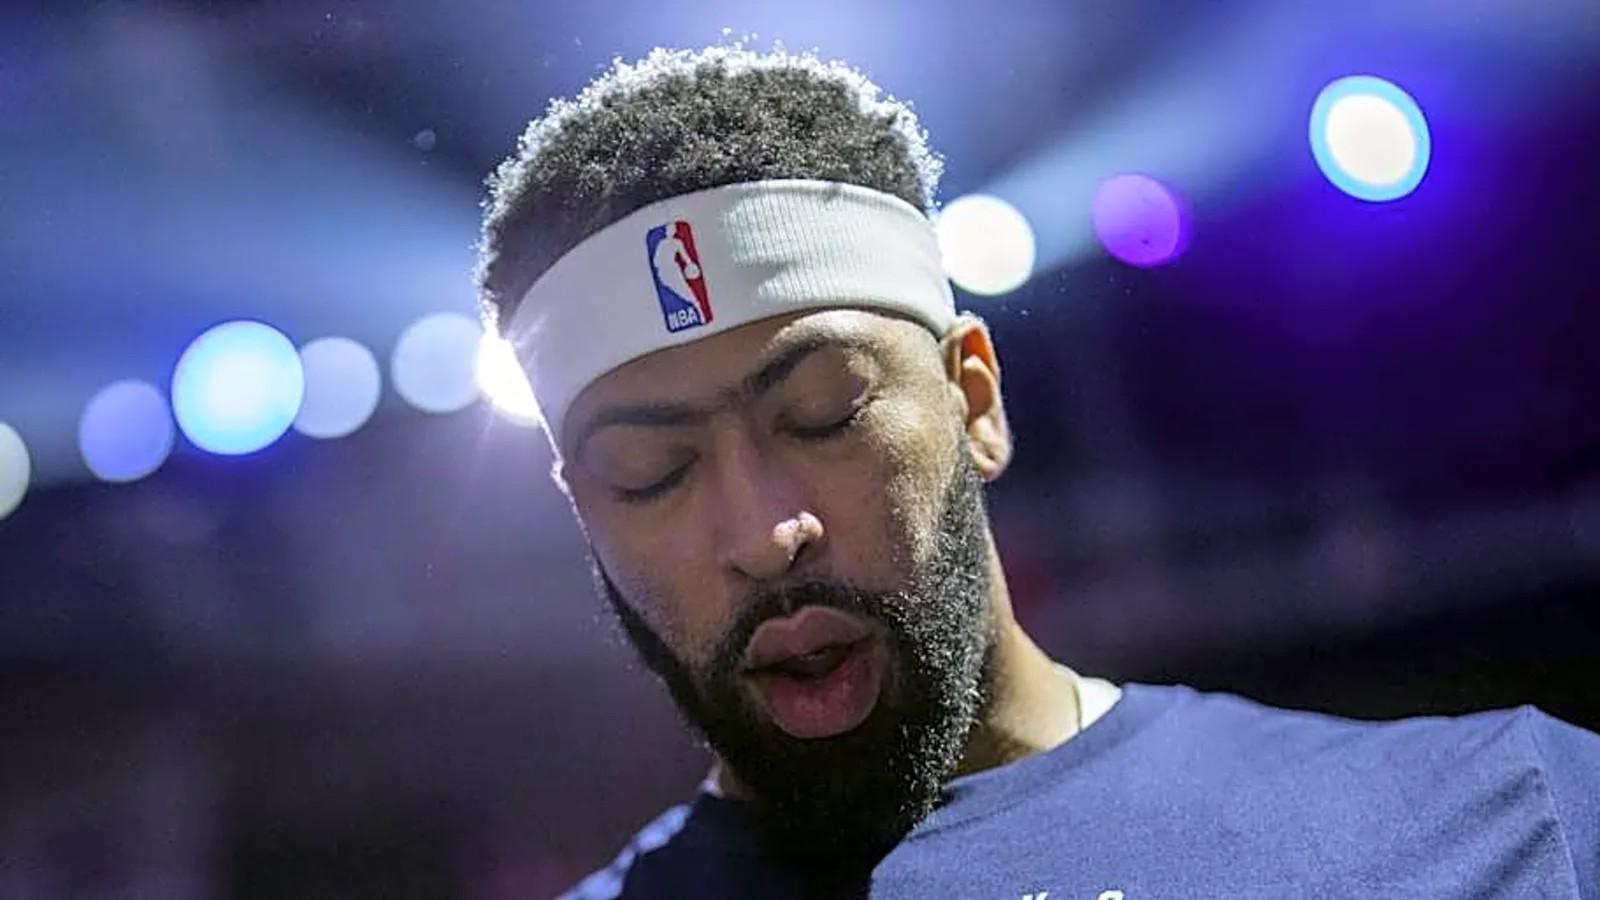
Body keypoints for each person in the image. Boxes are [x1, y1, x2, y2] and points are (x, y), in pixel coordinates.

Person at [476, 46, 1600, 899]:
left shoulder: (1508, 821)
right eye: (651, 471)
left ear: (973, 400)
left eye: (824, 416)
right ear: (583, 514)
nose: (767, 534)